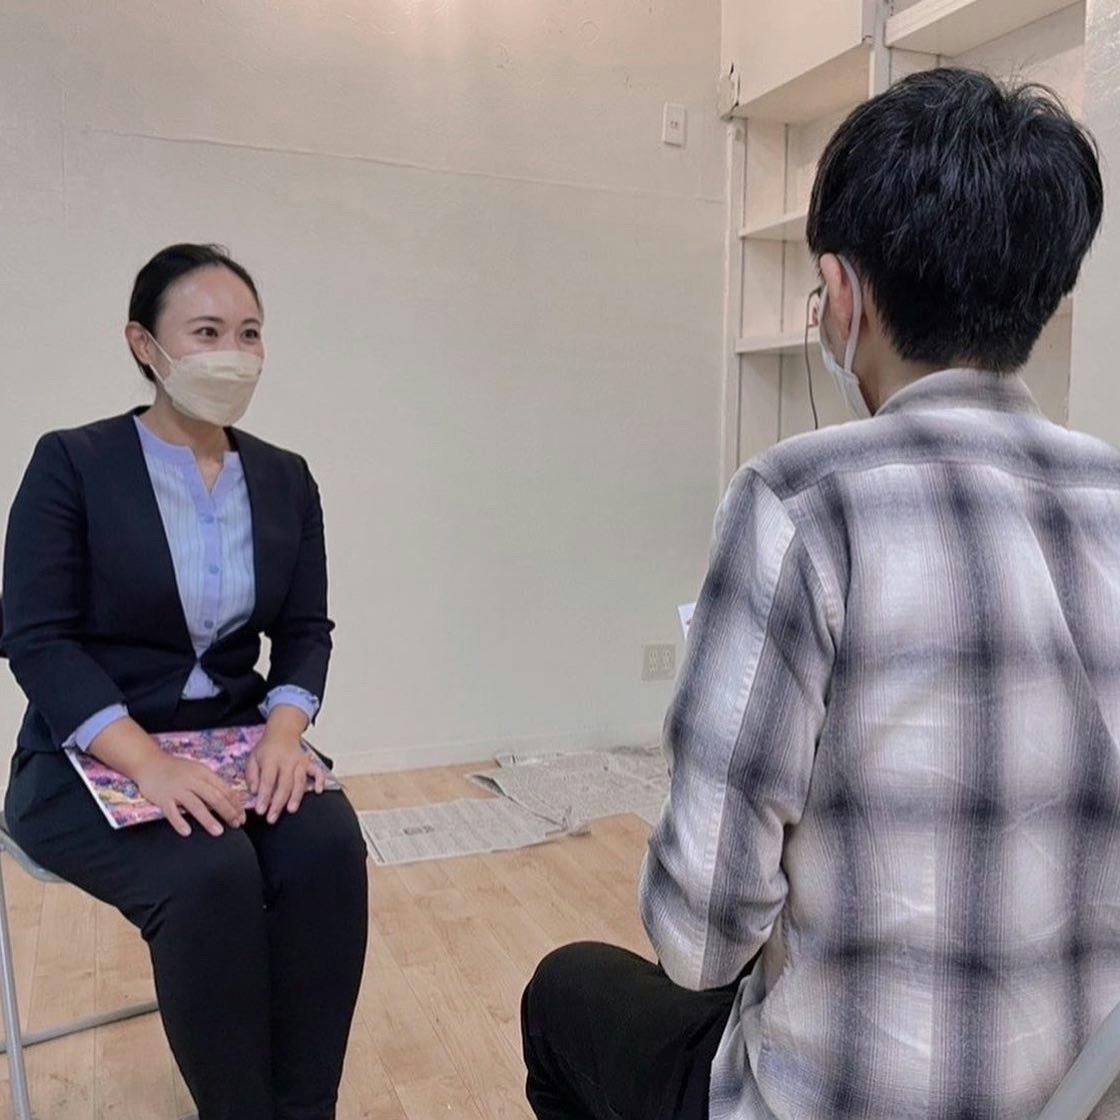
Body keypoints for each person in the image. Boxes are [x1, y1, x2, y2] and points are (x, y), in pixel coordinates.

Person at [521, 69, 1117, 1119]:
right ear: (1048, 291)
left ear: (842, 293)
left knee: (564, 992)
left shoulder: (803, 500)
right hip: (1079, 1088)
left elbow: (700, 940)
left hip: (839, 1096)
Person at [1, 244, 369, 1120]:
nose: (231, 355)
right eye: (206, 333)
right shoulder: (73, 464)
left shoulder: (285, 478)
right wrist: (151, 766)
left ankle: (304, 1109)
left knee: (326, 846)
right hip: (89, 758)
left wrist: (285, 735)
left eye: (249, 334)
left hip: (238, 743)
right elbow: (36, 639)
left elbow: (306, 630)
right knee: (210, 874)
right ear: (145, 344)